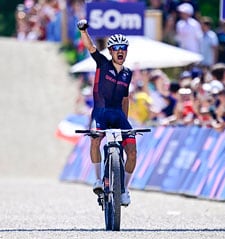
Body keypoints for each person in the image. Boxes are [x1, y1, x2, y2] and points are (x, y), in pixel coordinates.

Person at [76, 19, 136, 206]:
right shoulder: (102, 63)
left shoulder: (128, 73)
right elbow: (90, 46)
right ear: (110, 51)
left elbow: (125, 99)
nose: (120, 51)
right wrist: (83, 30)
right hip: (101, 113)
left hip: (118, 115)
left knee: (132, 151)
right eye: (116, 48)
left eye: (123, 48)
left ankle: (124, 189)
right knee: (95, 139)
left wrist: (124, 122)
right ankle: (97, 179)